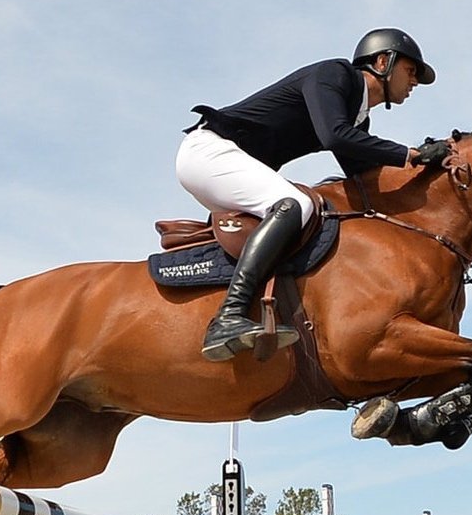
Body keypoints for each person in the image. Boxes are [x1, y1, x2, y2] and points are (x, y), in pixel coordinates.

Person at [179, 28, 453, 362]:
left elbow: (363, 177)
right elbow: (335, 136)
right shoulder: (333, 75)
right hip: (209, 152)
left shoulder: (356, 114)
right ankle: (228, 316)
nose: (414, 83)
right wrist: (410, 154)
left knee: (309, 209)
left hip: (226, 162)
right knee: (296, 204)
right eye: (411, 72)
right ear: (383, 61)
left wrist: (428, 171)